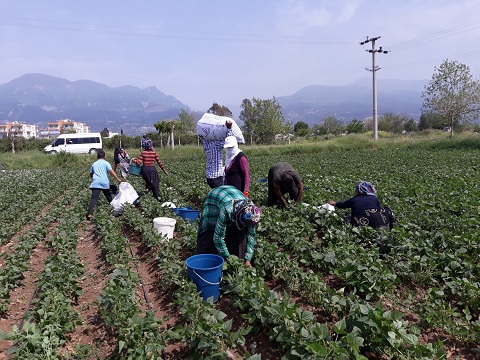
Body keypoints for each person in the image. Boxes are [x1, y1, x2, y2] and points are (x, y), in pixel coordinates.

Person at [197, 185, 261, 267]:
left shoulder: (252, 213)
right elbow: (218, 238)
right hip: (215, 196)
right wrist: (228, 258)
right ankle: (209, 257)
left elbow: (251, 235)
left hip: (231, 194)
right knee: (211, 231)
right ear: (238, 216)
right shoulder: (227, 208)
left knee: (239, 232)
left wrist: (248, 259)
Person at [328, 181, 395, 231]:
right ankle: (390, 226)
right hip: (378, 223)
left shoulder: (354, 199)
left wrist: (334, 203)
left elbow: (342, 205)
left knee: (350, 216)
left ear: (359, 191)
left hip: (361, 224)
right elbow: (379, 209)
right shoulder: (374, 198)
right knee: (386, 209)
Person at [86, 149, 122, 220]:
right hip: (104, 182)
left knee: (93, 198)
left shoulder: (94, 164)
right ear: (104, 156)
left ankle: (89, 214)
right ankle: (114, 209)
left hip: (96, 182)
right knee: (108, 197)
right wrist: (118, 179)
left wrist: (93, 178)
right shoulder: (106, 163)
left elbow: (91, 174)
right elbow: (111, 171)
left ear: (97, 156)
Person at [201, 121, 234, 188]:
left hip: (209, 176)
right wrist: (229, 128)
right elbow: (230, 140)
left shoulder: (206, 144)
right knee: (221, 194)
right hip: (216, 177)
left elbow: (203, 135)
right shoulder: (216, 144)